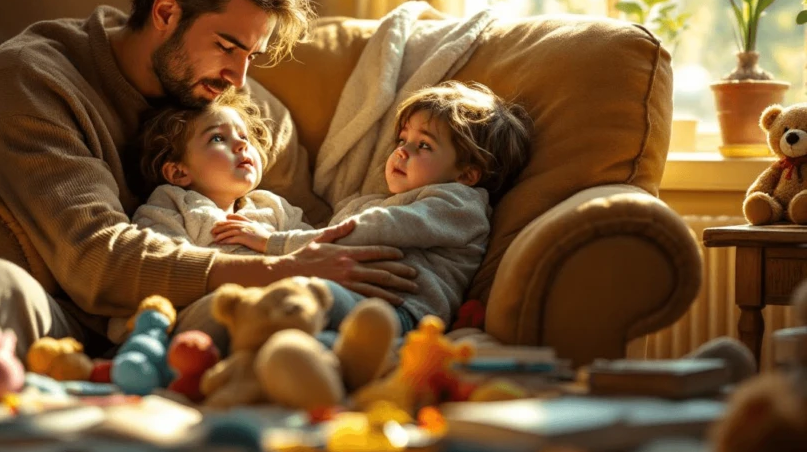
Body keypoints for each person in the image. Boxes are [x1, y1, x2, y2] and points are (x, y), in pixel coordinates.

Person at [0, 0, 418, 377]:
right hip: (66, 325)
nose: (239, 77)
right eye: (226, 45)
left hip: (189, 331)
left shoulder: (236, 103)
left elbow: (307, 225)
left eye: (251, 55)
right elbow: (98, 259)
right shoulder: (33, 79)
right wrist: (280, 268)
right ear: (165, 11)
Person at [132, 80, 533, 341]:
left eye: (423, 145)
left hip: (398, 311)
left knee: (305, 295)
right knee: (299, 324)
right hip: (347, 307)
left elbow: (368, 231)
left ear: (468, 173)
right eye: (403, 139)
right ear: (178, 170)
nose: (402, 150)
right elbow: (148, 263)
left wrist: (273, 241)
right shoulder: (170, 207)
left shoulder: (459, 204)